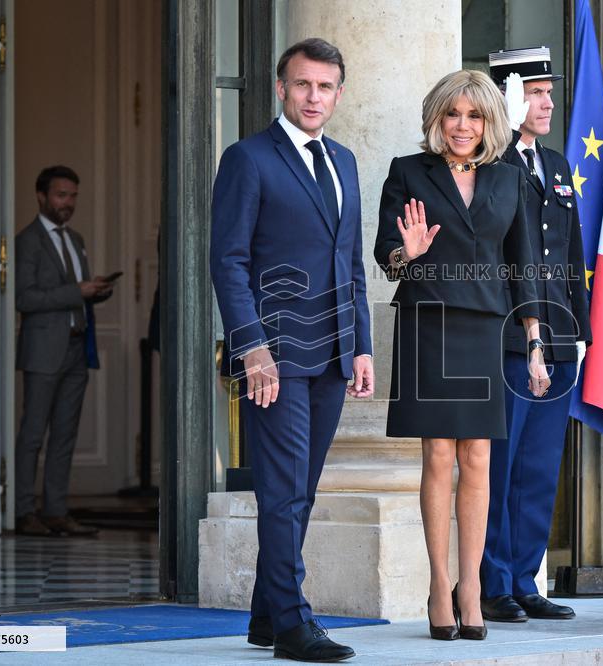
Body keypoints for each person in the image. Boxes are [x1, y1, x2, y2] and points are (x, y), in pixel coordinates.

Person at [210, 38, 373, 663]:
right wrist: (252, 349)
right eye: (302, 85)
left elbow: (351, 263)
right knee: (283, 491)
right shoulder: (248, 159)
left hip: (331, 352)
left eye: (325, 86)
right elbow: (228, 261)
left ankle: (264, 614)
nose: (313, 97)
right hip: (273, 356)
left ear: (337, 92)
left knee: (301, 486)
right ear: (282, 88)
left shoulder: (346, 162)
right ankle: (294, 623)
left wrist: (359, 344)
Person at [374, 69, 550, 642]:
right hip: (429, 323)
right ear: (437, 118)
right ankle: (437, 584)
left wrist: (534, 342)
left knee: (478, 456)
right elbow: (385, 256)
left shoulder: (509, 178)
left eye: (474, 116)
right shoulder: (408, 172)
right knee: (438, 458)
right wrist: (410, 251)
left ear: (490, 122)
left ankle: (470, 588)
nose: (463, 126)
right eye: (453, 114)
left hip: (486, 328)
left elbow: (524, 263)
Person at [479, 47, 593, 623]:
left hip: (559, 337)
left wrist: (580, 331)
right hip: (510, 340)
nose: (548, 103)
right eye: (536, 92)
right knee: (500, 466)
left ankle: (525, 578)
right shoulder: (490, 166)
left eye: (550, 92)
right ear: (508, 95)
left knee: (539, 467)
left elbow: (570, 256)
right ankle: (494, 583)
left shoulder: (555, 164)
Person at [14, 165, 115, 537]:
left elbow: (76, 291)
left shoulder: (76, 238)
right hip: (43, 350)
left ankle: (56, 510)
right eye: (60, 195)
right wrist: (79, 291)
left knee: (65, 434)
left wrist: (98, 290)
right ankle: (24, 512)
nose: (67, 203)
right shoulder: (27, 241)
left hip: (76, 348)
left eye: (72, 196)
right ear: (41, 196)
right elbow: (24, 298)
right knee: (33, 433)